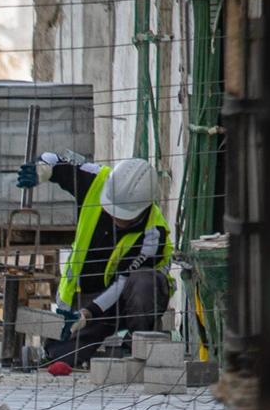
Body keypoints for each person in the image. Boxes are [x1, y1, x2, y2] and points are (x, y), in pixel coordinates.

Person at [21, 152, 173, 368]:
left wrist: (86, 313)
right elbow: (57, 159)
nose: (114, 217)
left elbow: (121, 284)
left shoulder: (152, 233)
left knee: (144, 282)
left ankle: (137, 351)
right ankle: (70, 345)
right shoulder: (96, 181)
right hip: (85, 294)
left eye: (123, 215)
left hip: (125, 300)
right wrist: (44, 169)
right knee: (61, 355)